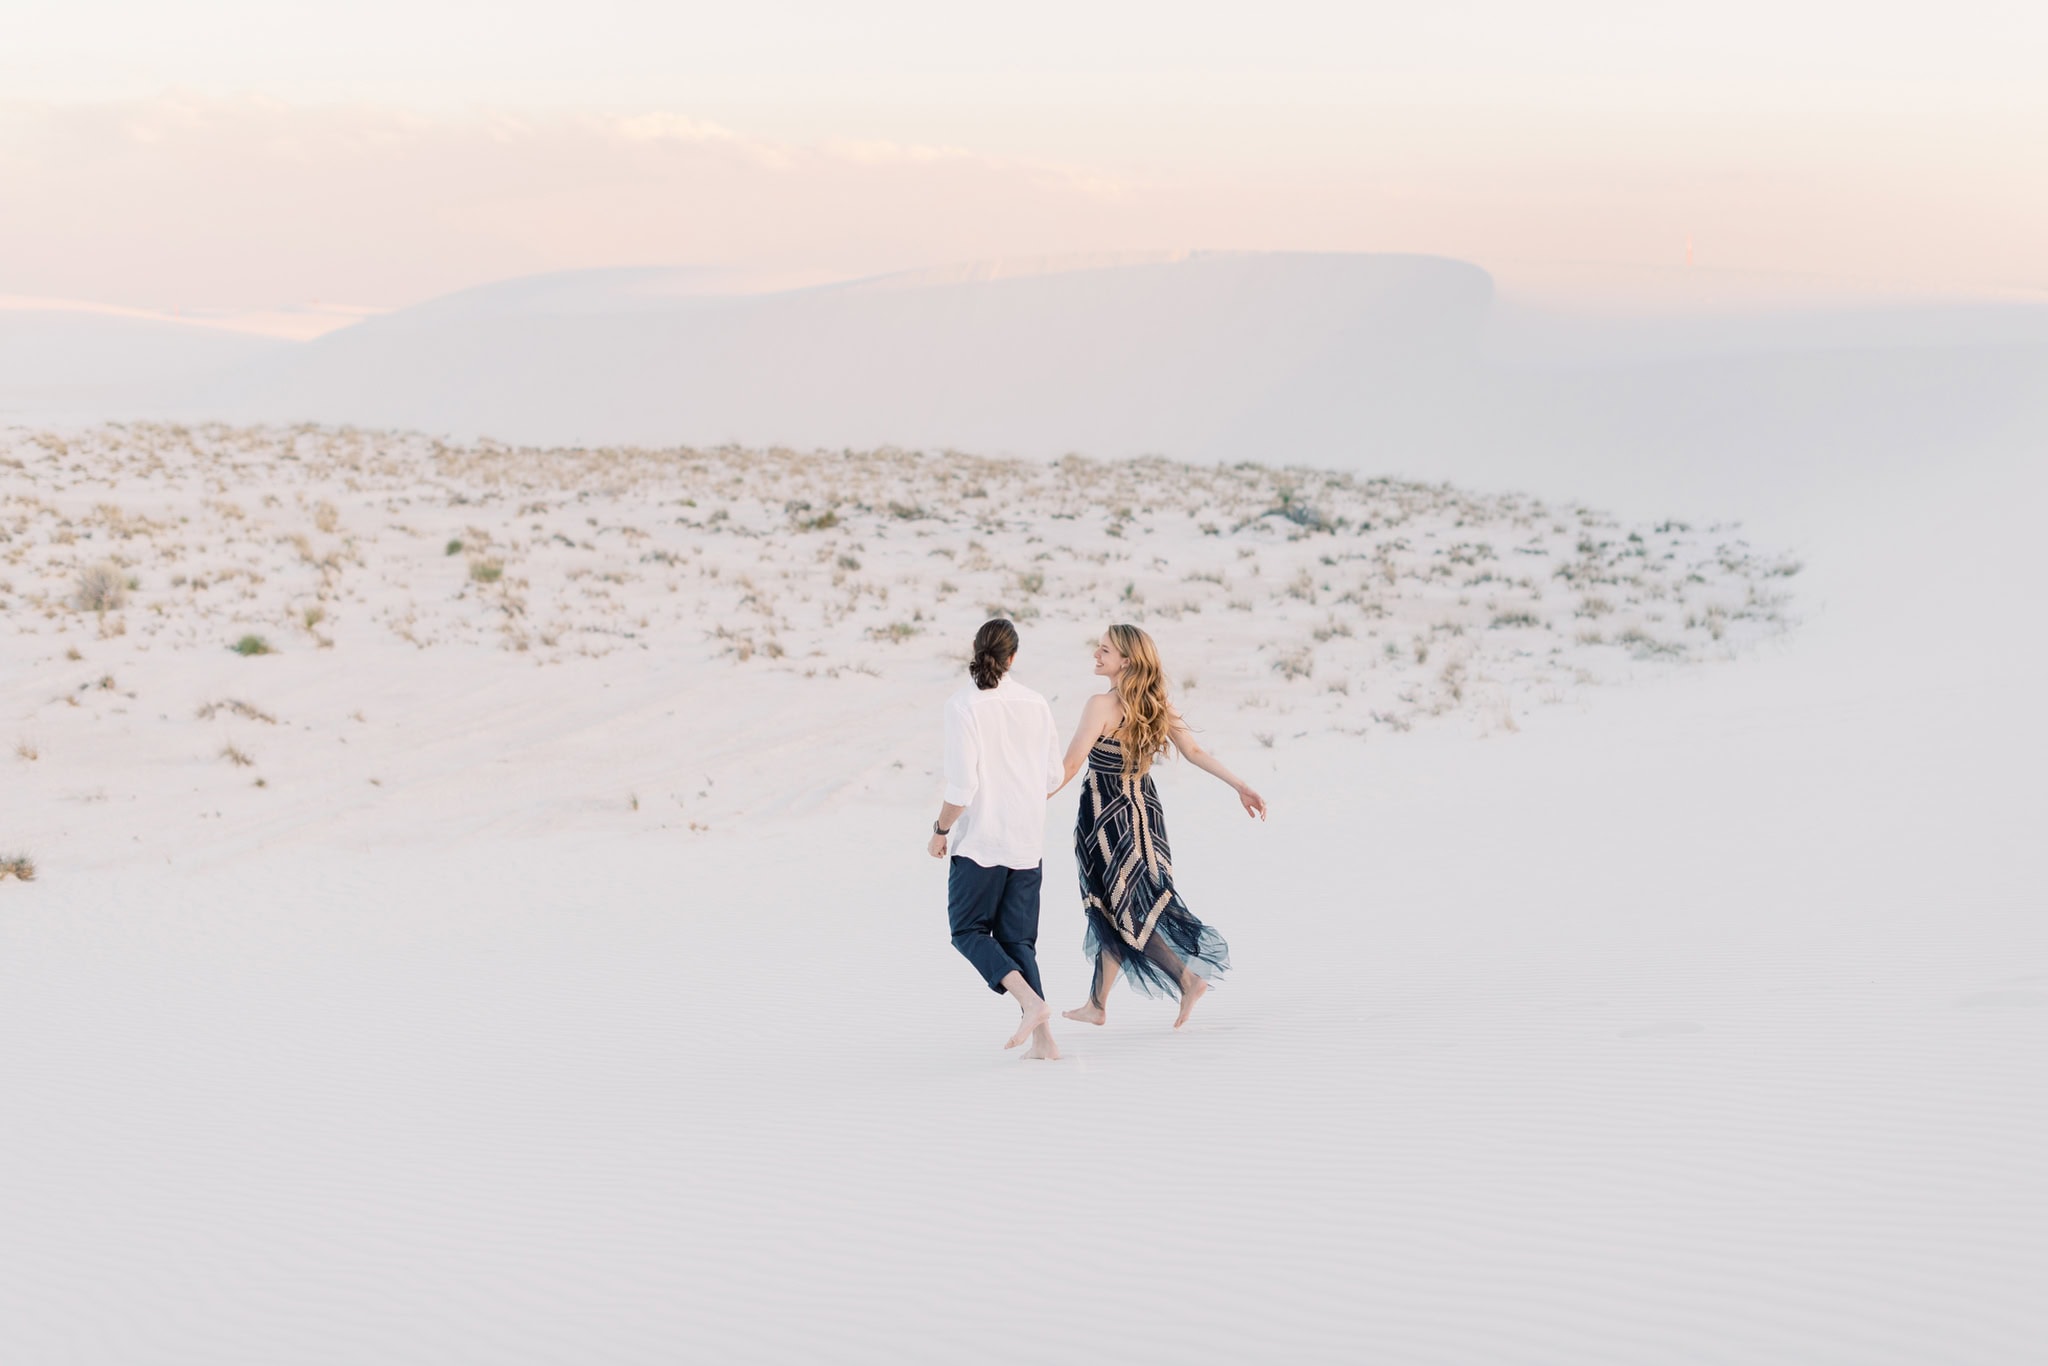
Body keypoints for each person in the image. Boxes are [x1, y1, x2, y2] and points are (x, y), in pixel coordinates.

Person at [1054, 623, 1266, 1029]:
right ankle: (1097, 1003)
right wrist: (1240, 785)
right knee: (1116, 903)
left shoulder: (1100, 704)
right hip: (1144, 814)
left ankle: (1186, 979)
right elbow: (1194, 751)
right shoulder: (1155, 704)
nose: (1096, 656)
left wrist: (1030, 798)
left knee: (1122, 906)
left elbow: (1070, 766)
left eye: (1104, 651)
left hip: (1106, 815)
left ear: (1126, 661)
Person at [929, 619, 1066, 1060]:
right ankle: (1044, 1042)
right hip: (1027, 841)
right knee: (1018, 942)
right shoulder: (1035, 703)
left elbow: (962, 786)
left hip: (983, 842)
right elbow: (1053, 776)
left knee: (967, 930)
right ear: (1012, 659)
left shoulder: (963, 705)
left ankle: (1030, 1003)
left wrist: (940, 830)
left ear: (976, 650)